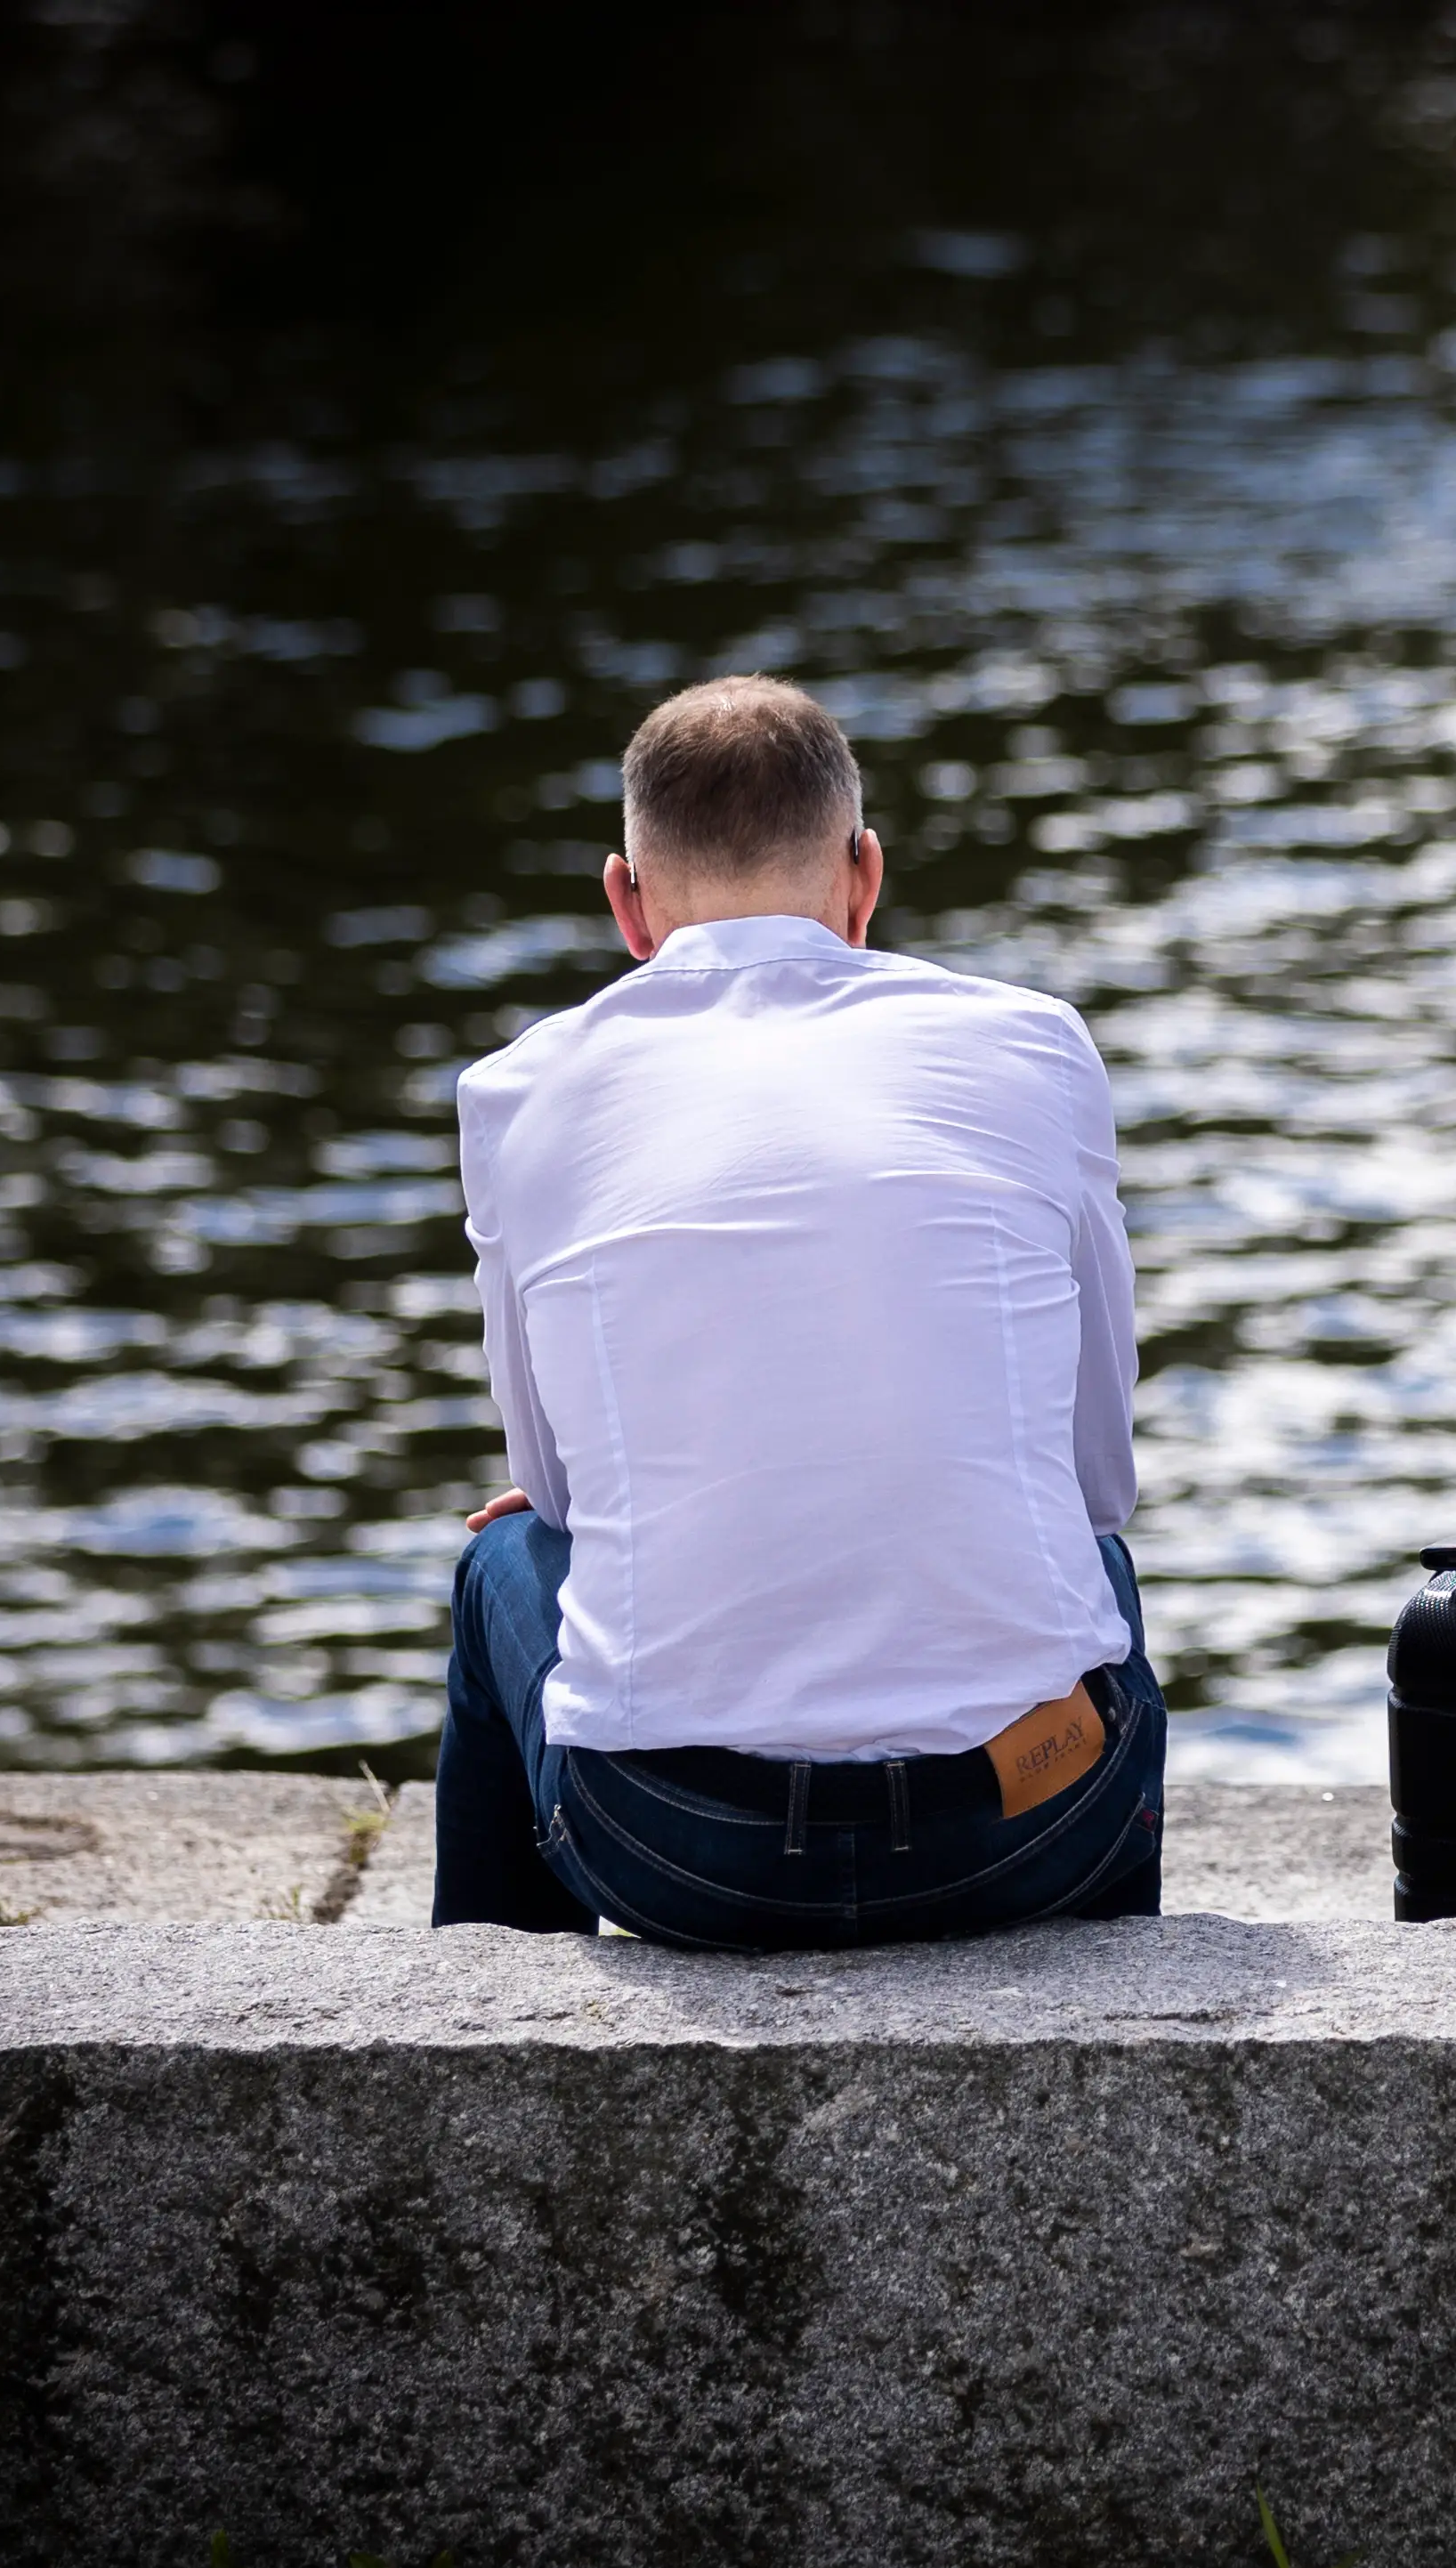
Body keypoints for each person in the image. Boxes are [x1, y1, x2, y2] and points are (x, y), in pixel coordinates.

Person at [429, 675, 1161, 1941]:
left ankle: (486, 2049)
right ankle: (1107, 1996)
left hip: (674, 1847)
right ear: (862, 877)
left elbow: (547, 1491)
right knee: (1085, 1567)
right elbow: (1100, 1480)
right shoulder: (1035, 1043)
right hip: (1027, 1824)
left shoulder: (519, 1092)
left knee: (503, 1556)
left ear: (626, 903)